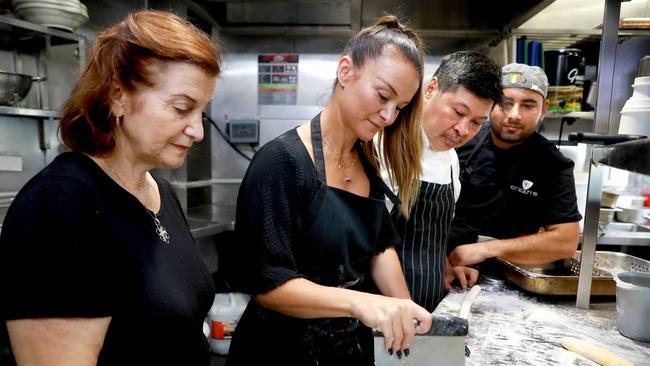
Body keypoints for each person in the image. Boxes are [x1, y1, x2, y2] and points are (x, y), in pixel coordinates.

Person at [0, 11, 220, 365]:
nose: (197, 131)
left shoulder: (160, 191)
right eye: (182, 108)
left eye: (201, 113)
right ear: (118, 95)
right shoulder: (61, 206)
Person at [226, 15, 432, 365]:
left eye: (399, 107)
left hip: (345, 350)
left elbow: (379, 245)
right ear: (345, 71)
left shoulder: (365, 161)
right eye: (383, 96)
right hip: (280, 350)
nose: (388, 116)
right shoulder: (282, 162)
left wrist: (404, 310)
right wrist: (360, 302)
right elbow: (268, 286)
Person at [392, 51, 503, 312]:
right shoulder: (387, 146)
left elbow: (429, 235)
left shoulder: (451, 160)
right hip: (384, 314)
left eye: (477, 122)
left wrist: (444, 267)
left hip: (430, 308)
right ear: (432, 88)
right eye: (457, 112)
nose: (463, 130)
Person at [447, 63, 582, 269]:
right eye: (506, 103)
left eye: (528, 106)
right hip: (443, 267)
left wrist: (487, 249)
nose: (514, 115)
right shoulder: (459, 139)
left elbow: (566, 241)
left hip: (508, 276)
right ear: (491, 102)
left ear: (543, 110)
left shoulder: (553, 164)